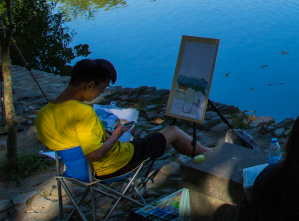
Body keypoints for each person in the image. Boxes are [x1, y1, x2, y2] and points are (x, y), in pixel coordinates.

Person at [35, 58, 210, 179]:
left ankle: (208, 153)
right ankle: (212, 156)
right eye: (101, 89)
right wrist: (116, 135)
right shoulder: (82, 113)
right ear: (89, 85)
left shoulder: (43, 114)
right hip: (112, 166)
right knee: (173, 131)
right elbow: (94, 154)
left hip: (77, 172)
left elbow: (72, 142)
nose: (101, 93)